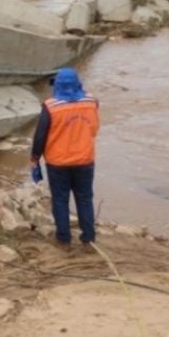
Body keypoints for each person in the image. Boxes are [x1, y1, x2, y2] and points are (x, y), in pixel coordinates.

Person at [29, 67, 100, 249]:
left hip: (58, 162)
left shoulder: (50, 106)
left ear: (57, 85)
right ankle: (88, 239)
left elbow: (40, 136)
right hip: (84, 160)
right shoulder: (92, 102)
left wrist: (35, 158)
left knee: (60, 199)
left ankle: (64, 239)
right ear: (78, 83)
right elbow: (94, 129)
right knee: (84, 199)